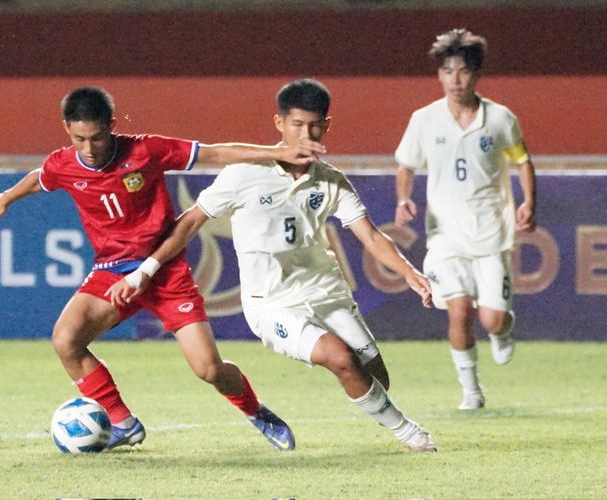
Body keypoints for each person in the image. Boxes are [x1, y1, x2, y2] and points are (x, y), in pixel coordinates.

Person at [0, 86, 326, 450]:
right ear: (66, 128)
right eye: (79, 138)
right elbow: (41, 177)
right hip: (111, 272)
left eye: (97, 137)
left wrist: (277, 152)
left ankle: (257, 412)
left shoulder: (146, 151)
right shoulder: (64, 163)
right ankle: (122, 422)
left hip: (164, 272)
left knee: (209, 370)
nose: (89, 148)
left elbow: (214, 153)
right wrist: (7, 197)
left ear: (111, 126)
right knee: (66, 340)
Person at [111, 79, 437, 452]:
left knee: (374, 373)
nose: (305, 134)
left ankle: (382, 411)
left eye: (314, 126)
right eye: (297, 124)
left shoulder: (331, 181)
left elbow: (372, 236)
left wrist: (410, 273)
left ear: (326, 127)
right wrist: (145, 270)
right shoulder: (244, 173)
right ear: (279, 123)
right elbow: (190, 221)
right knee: (339, 357)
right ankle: (410, 434)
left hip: (325, 292)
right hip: (271, 303)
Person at [393, 29, 537, 410]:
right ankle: (471, 392)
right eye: (447, 71)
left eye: (463, 71)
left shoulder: (500, 118)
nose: (455, 79)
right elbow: (406, 165)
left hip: (492, 233)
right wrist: (404, 198)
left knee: (492, 320)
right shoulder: (424, 120)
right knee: (458, 310)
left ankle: (503, 331)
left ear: (477, 75)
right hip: (445, 237)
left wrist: (528, 204)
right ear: (439, 75)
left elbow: (522, 161)